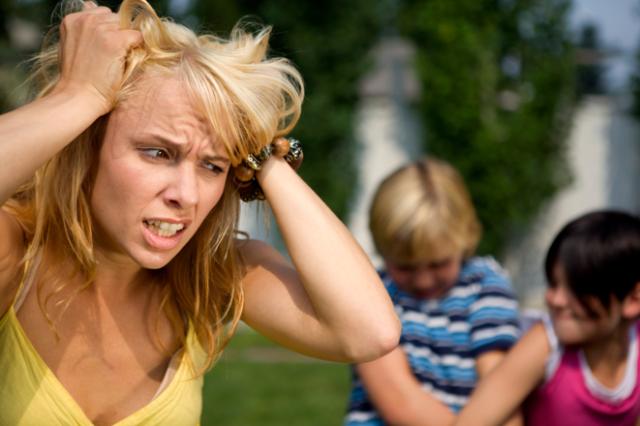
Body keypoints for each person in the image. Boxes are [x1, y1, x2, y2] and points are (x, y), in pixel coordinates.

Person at [0, 1, 401, 424]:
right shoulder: (17, 253)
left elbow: (370, 332)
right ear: (86, 142)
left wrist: (266, 158)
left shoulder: (212, 274)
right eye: (157, 152)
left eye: (213, 165)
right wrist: (79, 95)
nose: (187, 195)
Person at [345, 158, 521, 426]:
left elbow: (500, 390)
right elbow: (399, 401)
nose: (424, 280)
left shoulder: (485, 285)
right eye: (405, 266)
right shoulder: (371, 294)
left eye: (438, 263)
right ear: (382, 249)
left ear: (465, 239)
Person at [455, 210, 640, 426]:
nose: (555, 299)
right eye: (553, 283)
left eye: (579, 288)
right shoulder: (545, 345)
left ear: (633, 300)